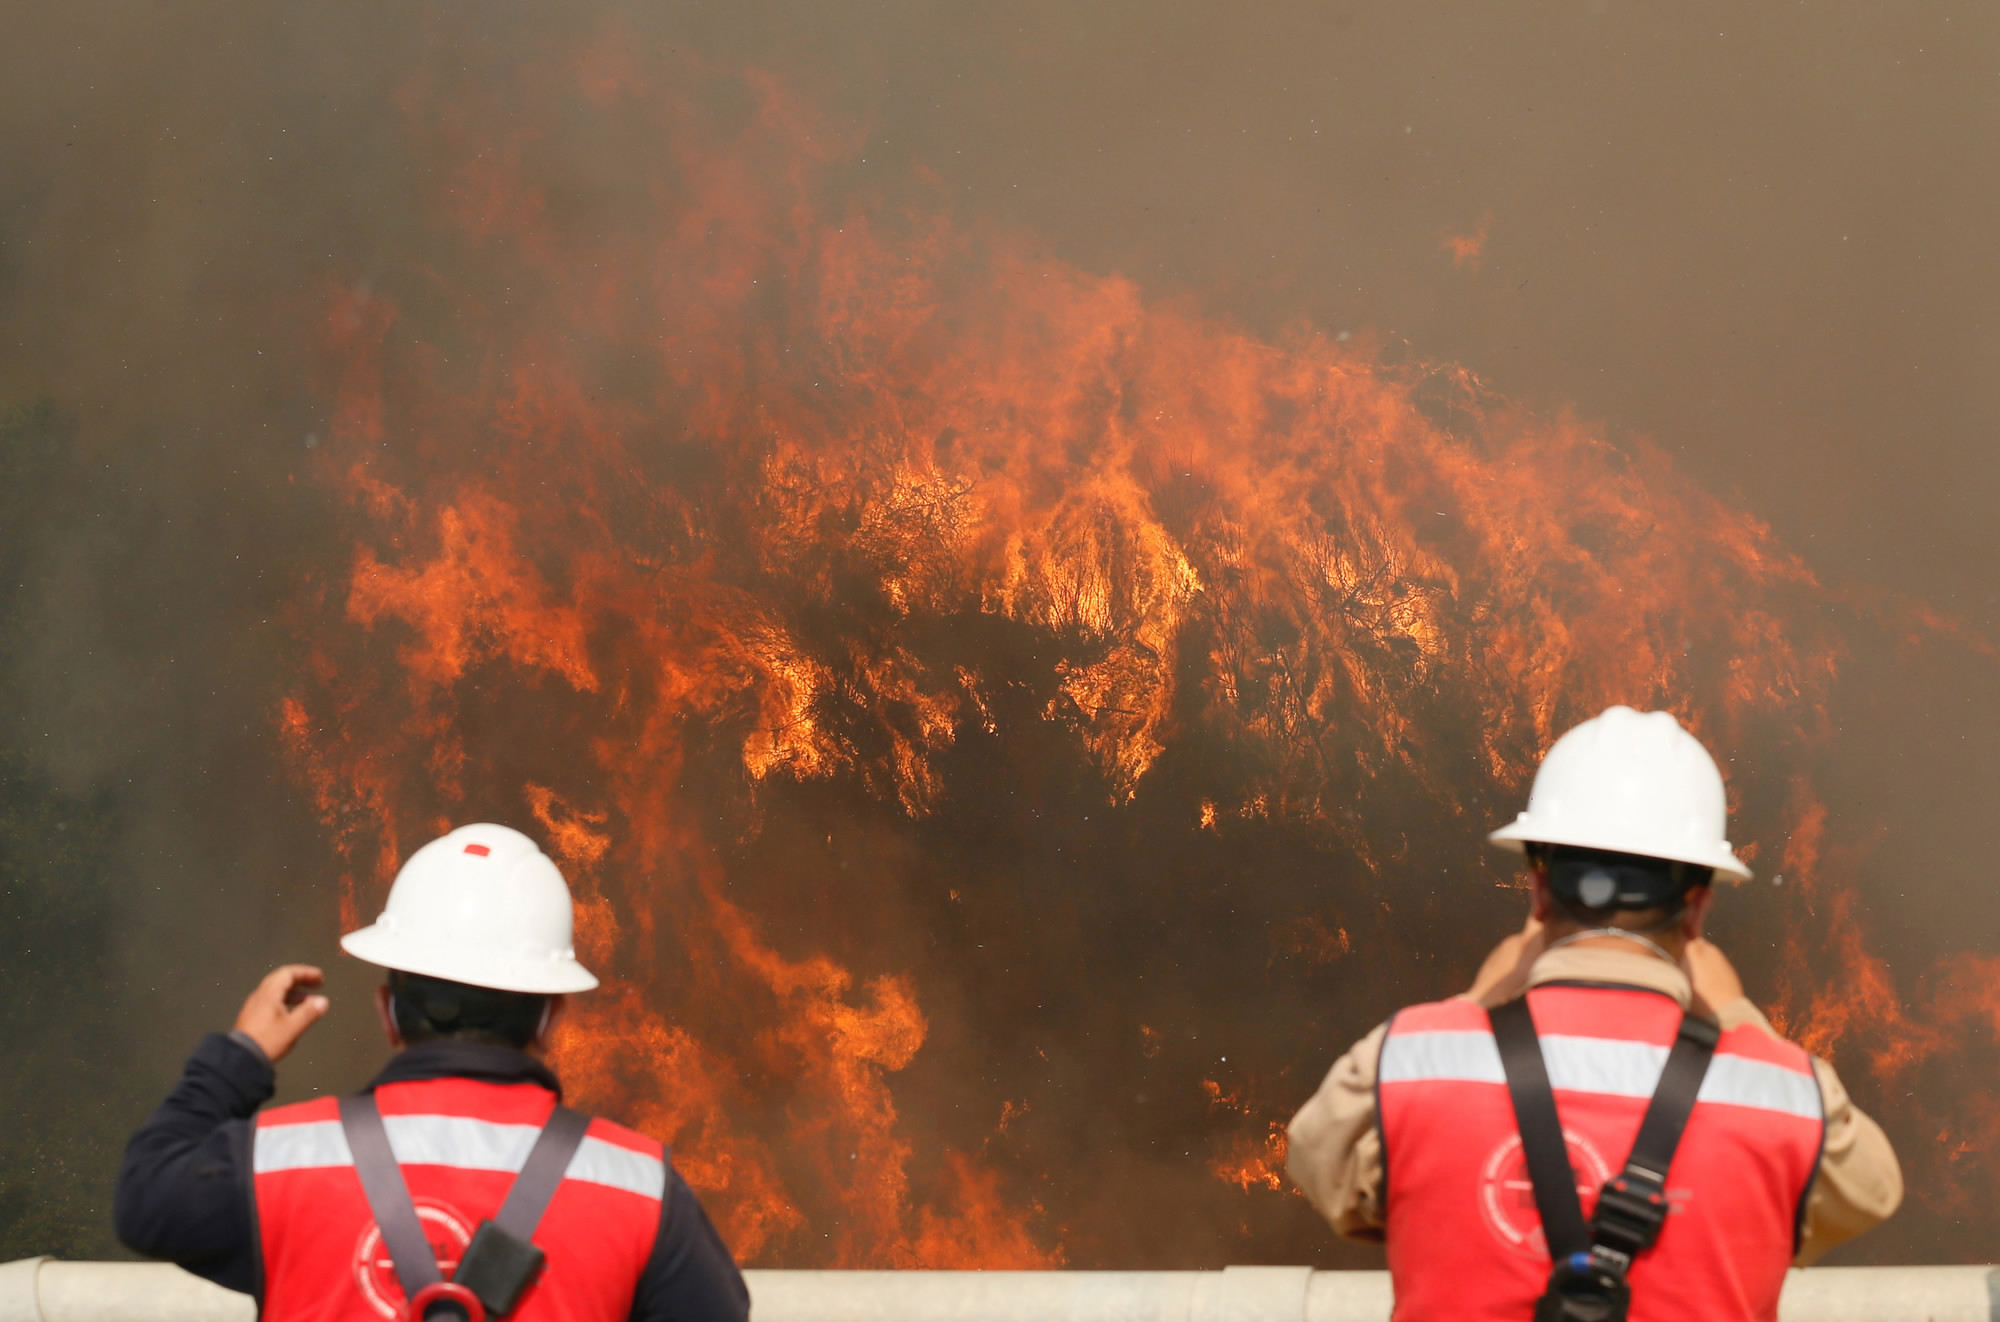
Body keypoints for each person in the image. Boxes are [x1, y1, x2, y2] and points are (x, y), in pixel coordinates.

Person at [1286, 706, 1902, 1321]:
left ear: (1539, 891)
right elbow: (1870, 1194)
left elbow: (1328, 1173)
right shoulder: (1787, 1100)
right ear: (1697, 907)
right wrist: (1739, 1016)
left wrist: (1476, 1002)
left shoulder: (1405, 1065)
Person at [116, 823, 748, 1322]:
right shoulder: (639, 1188)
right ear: (551, 1017)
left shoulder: (281, 1163)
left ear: (389, 1011)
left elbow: (145, 1199)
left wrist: (241, 1057)